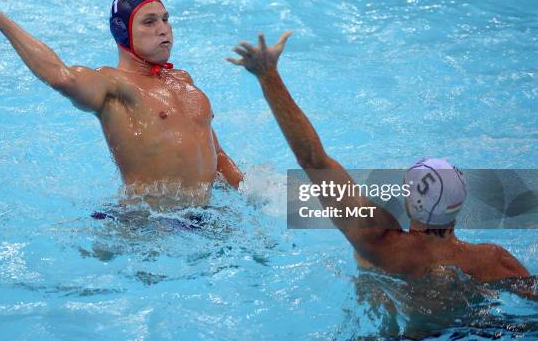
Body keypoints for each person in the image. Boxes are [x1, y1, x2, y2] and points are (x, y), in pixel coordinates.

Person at [227, 31, 531, 283]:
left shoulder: (378, 244)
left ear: (411, 202)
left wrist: (268, 76)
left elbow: (313, 160)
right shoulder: (494, 262)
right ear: (460, 203)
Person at [0, 0, 243, 207]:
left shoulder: (183, 81)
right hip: (147, 226)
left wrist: (251, 195)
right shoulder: (113, 86)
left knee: (283, 236)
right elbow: (61, 76)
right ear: (122, 31)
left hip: (204, 216)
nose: (164, 29)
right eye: (149, 22)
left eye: (165, 19)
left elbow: (216, 155)